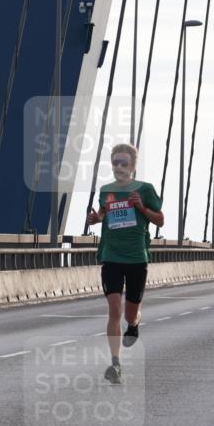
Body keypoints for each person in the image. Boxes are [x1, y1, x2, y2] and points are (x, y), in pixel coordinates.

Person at [86, 143, 164, 384]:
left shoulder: (145, 189)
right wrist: (96, 219)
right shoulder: (106, 190)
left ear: (132, 166)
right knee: (114, 309)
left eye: (124, 163)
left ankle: (135, 323)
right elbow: (103, 213)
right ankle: (115, 364)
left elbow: (160, 220)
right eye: (115, 163)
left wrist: (140, 206)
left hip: (136, 257)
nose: (119, 167)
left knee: (130, 313)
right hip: (111, 255)